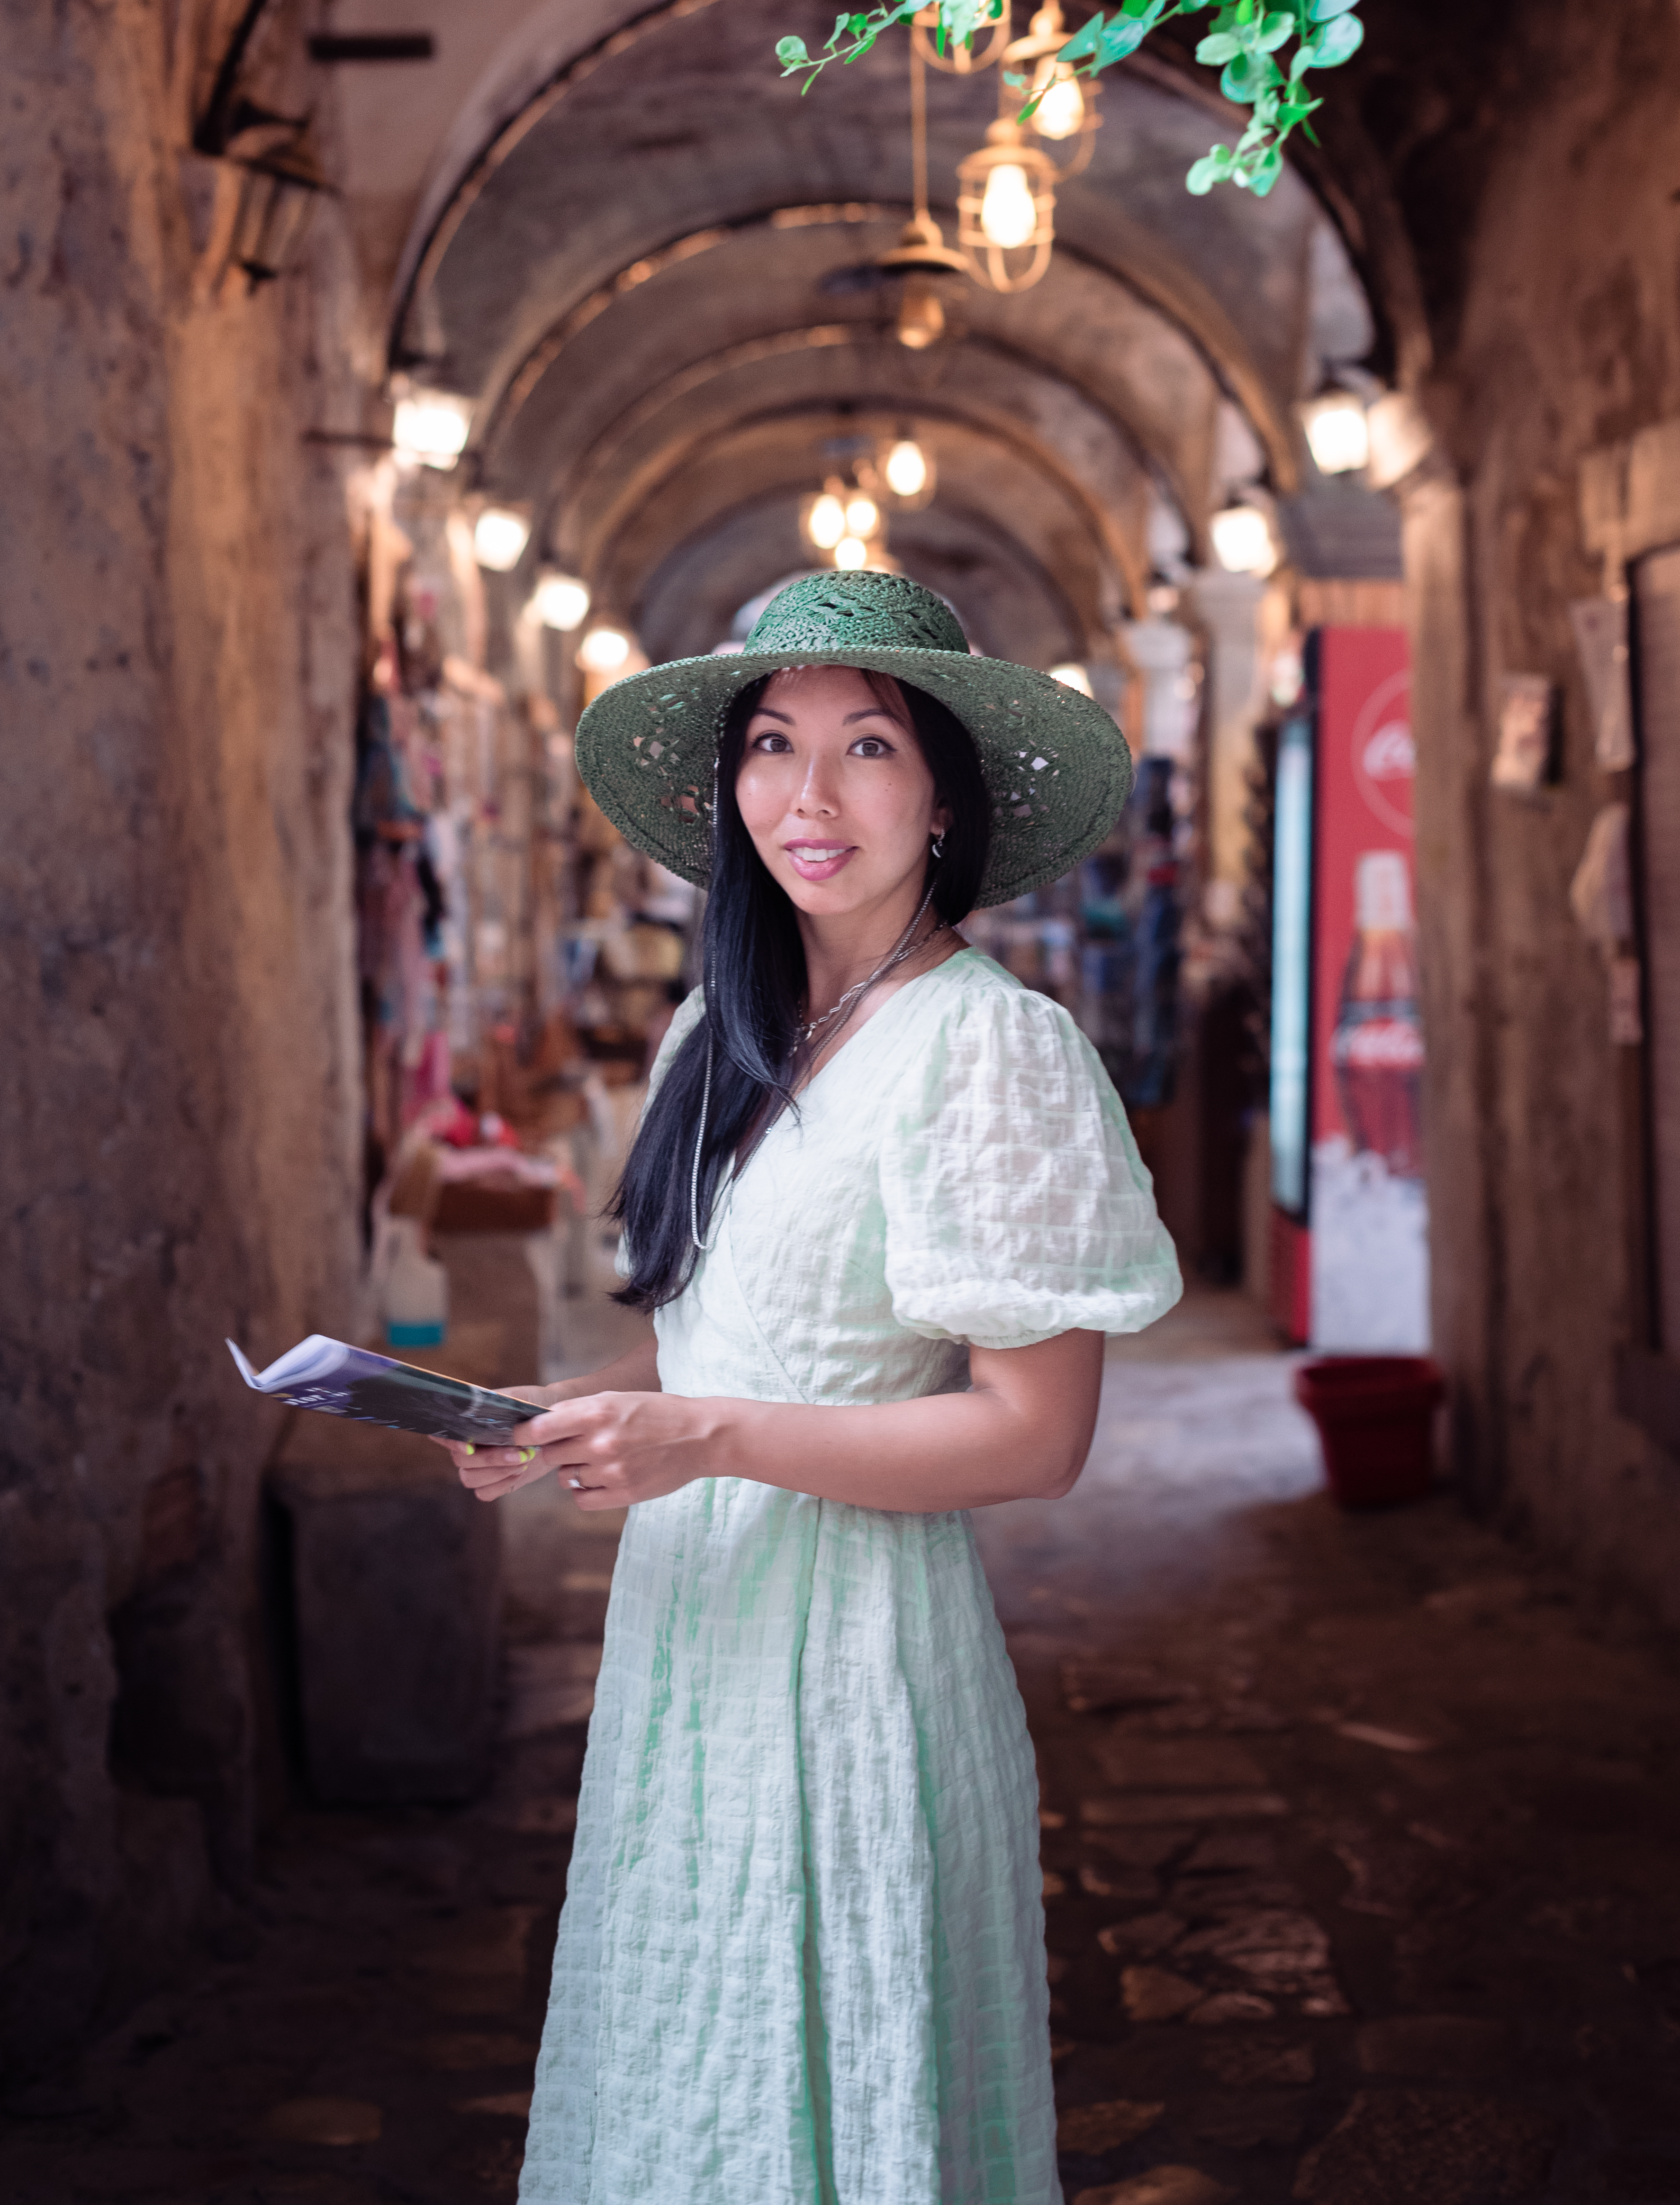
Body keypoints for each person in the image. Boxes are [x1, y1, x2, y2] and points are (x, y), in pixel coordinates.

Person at [447, 571, 1181, 2205]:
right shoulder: (726, 1024)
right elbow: (721, 1337)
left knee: (844, 2116)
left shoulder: (987, 1047)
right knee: (689, 2100)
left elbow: (1037, 1435)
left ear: (943, 800)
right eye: (774, 747)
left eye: (867, 748)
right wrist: (573, 1407)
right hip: (686, 1664)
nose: (811, 796)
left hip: (856, 1674)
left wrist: (702, 1437)